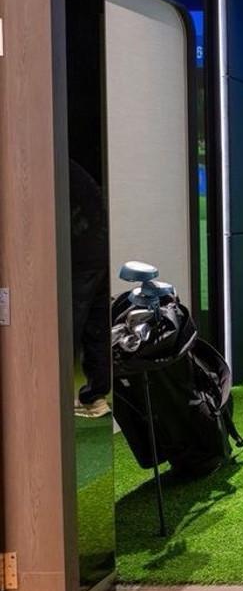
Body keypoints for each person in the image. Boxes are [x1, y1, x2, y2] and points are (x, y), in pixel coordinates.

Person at [70, 159, 112, 418]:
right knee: (96, 328)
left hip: (80, 255)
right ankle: (95, 397)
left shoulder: (44, 165)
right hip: (101, 249)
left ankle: (51, 399)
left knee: (67, 329)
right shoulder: (70, 167)